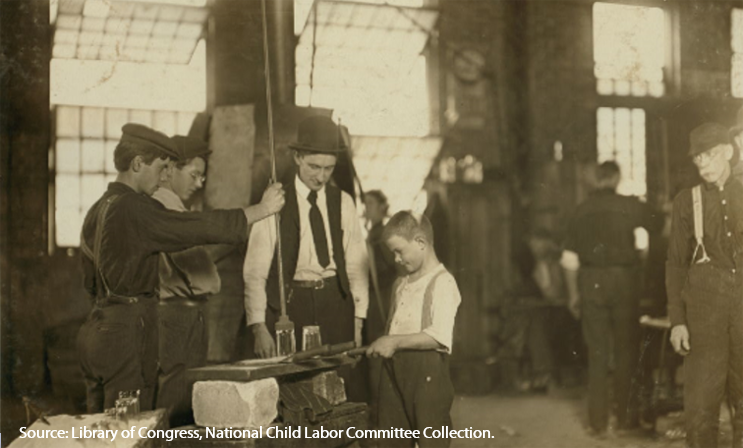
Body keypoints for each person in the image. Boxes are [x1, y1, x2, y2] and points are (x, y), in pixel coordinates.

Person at [77, 124, 285, 413]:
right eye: (162, 168)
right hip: (126, 331)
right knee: (130, 428)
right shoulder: (134, 207)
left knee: (98, 428)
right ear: (138, 164)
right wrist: (259, 211)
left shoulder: (98, 208)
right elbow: (189, 227)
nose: (165, 177)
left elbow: (89, 281)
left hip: (95, 326)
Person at [243, 115, 369, 396]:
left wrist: (358, 320)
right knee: (295, 389)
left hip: (335, 305)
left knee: (339, 387)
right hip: (291, 306)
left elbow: (357, 267)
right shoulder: (275, 201)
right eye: (314, 166)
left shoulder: (343, 202)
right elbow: (255, 271)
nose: (321, 176)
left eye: (328, 168)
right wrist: (258, 327)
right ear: (298, 157)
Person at [561, 161, 662, 437]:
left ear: (595, 180)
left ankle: (598, 423)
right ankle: (626, 421)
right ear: (616, 178)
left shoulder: (580, 210)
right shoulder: (629, 205)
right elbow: (659, 224)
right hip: (624, 282)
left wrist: (573, 295)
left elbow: (569, 260)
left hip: (590, 281)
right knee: (626, 350)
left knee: (597, 353)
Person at [666, 122, 743, 448]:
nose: (704, 165)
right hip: (704, 311)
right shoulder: (687, 202)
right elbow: (675, 265)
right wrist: (677, 322)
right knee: (701, 405)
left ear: (727, 152)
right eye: (698, 159)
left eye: (710, 156)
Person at [367, 211, 461, 448]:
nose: (396, 259)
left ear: (420, 242)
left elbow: (439, 336)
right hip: (394, 371)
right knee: (390, 438)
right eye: (393, 253)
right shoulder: (400, 283)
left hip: (427, 376)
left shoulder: (443, 283)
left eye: (399, 251)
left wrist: (393, 342)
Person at [151, 135, 219, 426]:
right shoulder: (167, 208)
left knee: (178, 391)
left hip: (180, 312)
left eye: (203, 176)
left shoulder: (172, 207)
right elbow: (206, 279)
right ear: (170, 171)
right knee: (177, 395)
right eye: (194, 175)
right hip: (177, 315)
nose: (200, 183)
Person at [363, 190, 397, 419]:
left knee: (380, 352)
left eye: (371, 204)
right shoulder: (373, 233)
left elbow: (392, 269)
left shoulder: (383, 235)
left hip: (382, 299)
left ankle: (384, 412)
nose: (366, 208)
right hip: (373, 299)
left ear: (382, 207)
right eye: (365, 204)